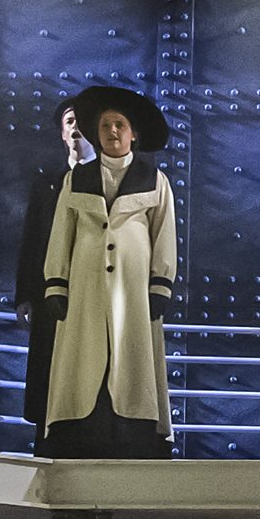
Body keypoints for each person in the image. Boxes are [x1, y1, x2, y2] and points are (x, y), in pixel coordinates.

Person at [36, 84, 179, 458]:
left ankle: (134, 437)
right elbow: (61, 234)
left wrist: (160, 283)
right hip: (85, 289)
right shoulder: (76, 180)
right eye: (104, 126)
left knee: (132, 361)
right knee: (82, 359)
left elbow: (164, 234)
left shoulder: (155, 180)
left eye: (119, 125)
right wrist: (57, 283)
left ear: (133, 133)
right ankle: (79, 434)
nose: (112, 132)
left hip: (133, 293)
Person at [15, 99, 95, 441]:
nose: (76, 128)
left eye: (82, 122)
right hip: (50, 299)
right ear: (62, 133)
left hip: (92, 296)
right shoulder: (47, 184)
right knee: (49, 375)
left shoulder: (108, 183)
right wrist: (24, 297)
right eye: (70, 122)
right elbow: (32, 241)